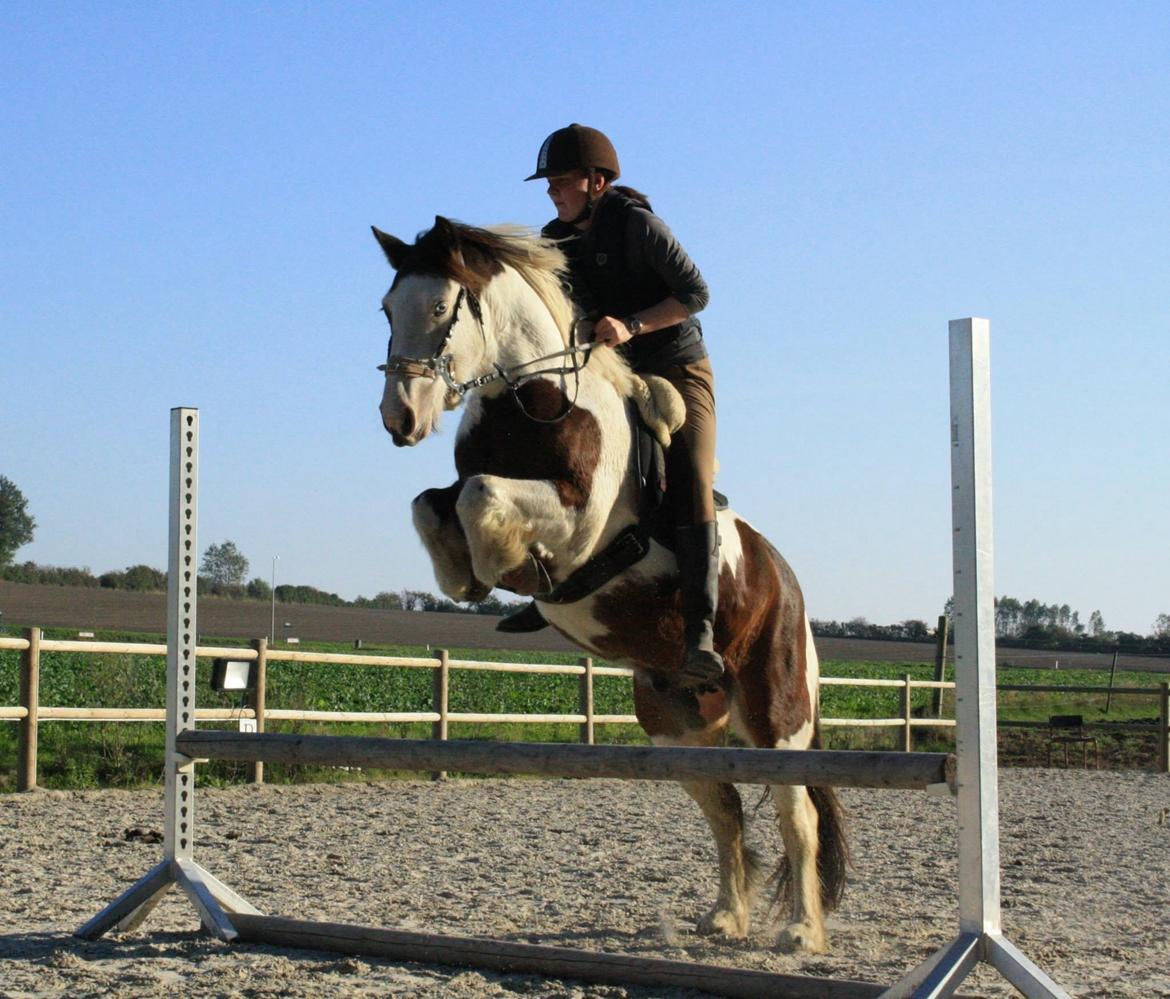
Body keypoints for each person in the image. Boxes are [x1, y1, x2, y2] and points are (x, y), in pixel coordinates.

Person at [498, 123, 723, 690]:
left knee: (691, 473)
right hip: (609, 371)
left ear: (596, 181)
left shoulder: (638, 225)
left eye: (561, 180)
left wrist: (634, 324)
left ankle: (700, 628)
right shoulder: (556, 238)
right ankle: (542, 584)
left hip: (675, 365)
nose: (552, 190)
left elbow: (696, 294)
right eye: (548, 182)